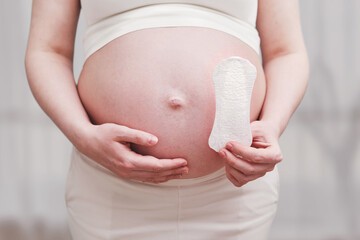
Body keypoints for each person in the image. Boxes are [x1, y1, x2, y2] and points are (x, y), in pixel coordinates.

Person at [25, 0, 308, 239]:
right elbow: (48, 51)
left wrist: (272, 124)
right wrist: (82, 135)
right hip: (112, 187)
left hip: (231, 190)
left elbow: (286, 51)